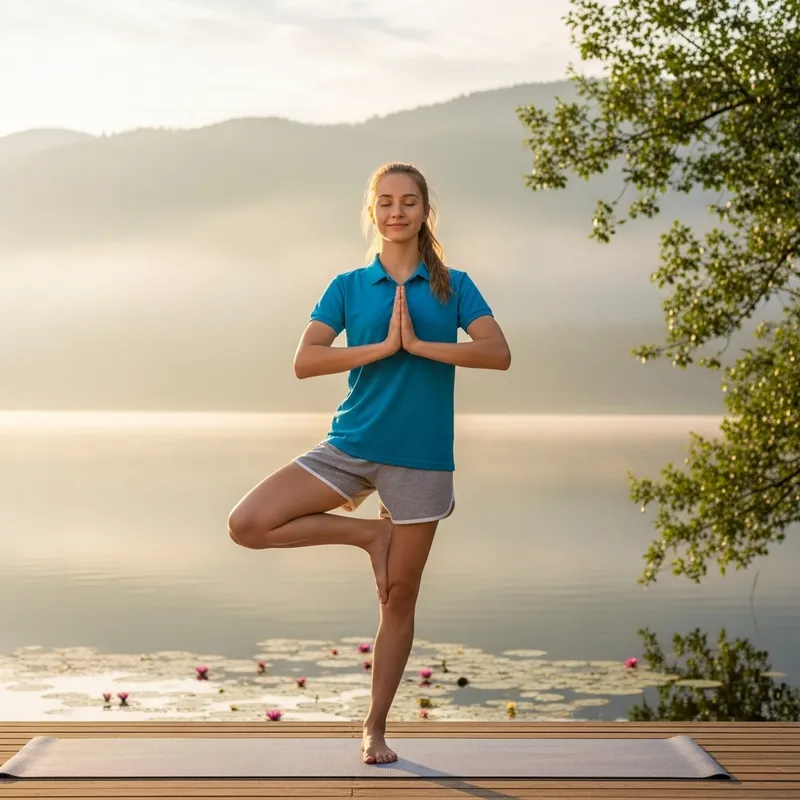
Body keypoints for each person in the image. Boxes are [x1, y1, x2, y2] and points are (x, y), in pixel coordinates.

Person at [227, 161, 511, 764]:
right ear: (372, 212)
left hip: (422, 459)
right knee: (247, 523)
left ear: (424, 212)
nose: (397, 211)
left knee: (398, 600)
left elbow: (498, 353)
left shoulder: (453, 285)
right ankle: (366, 536)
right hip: (351, 445)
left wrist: (420, 348)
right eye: (385, 202)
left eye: (409, 201)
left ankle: (375, 728)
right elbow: (305, 360)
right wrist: (381, 348)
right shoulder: (348, 286)